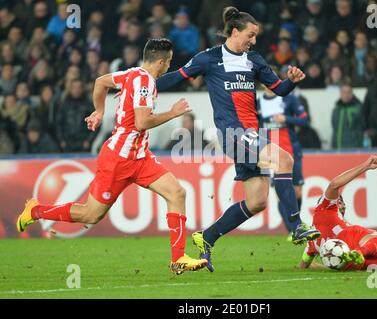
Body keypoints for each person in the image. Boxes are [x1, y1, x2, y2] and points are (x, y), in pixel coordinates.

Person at [15, 38, 207, 275]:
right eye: (168, 62)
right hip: (118, 160)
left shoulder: (132, 74)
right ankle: (36, 211)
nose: (169, 66)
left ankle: (178, 258)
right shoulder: (145, 82)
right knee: (91, 214)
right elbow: (142, 121)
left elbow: (101, 82)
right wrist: (173, 113)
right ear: (160, 61)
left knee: (177, 192)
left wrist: (99, 110)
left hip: (139, 156)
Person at [156, 6, 320, 272]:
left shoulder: (254, 60)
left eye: (255, 36)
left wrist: (292, 80)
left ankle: (207, 236)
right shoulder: (208, 58)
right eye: (250, 35)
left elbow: (278, 89)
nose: (253, 41)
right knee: (284, 158)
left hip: (250, 135)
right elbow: (176, 77)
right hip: (234, 134)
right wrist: (141, 86)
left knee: (257, 201)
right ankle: (297, 225)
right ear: (235, 32)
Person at [257, 84, 309, 239]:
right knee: (281, 193)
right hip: (271, 154)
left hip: (291, 151)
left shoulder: (288, 99)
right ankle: (293, 230)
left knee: (297, 191)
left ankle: (296, 223)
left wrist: (286, 118)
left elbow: (305, 120)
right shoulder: (258, 103)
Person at [331, 84, 363, 149]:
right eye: (343, 92)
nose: (346, 95)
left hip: (354, 149)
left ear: (352, 93)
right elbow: (334, 128)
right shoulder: (336, 110)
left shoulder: (358, 109)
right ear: (340, 94)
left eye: (348, 92)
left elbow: (361, 129)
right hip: (337, 148)